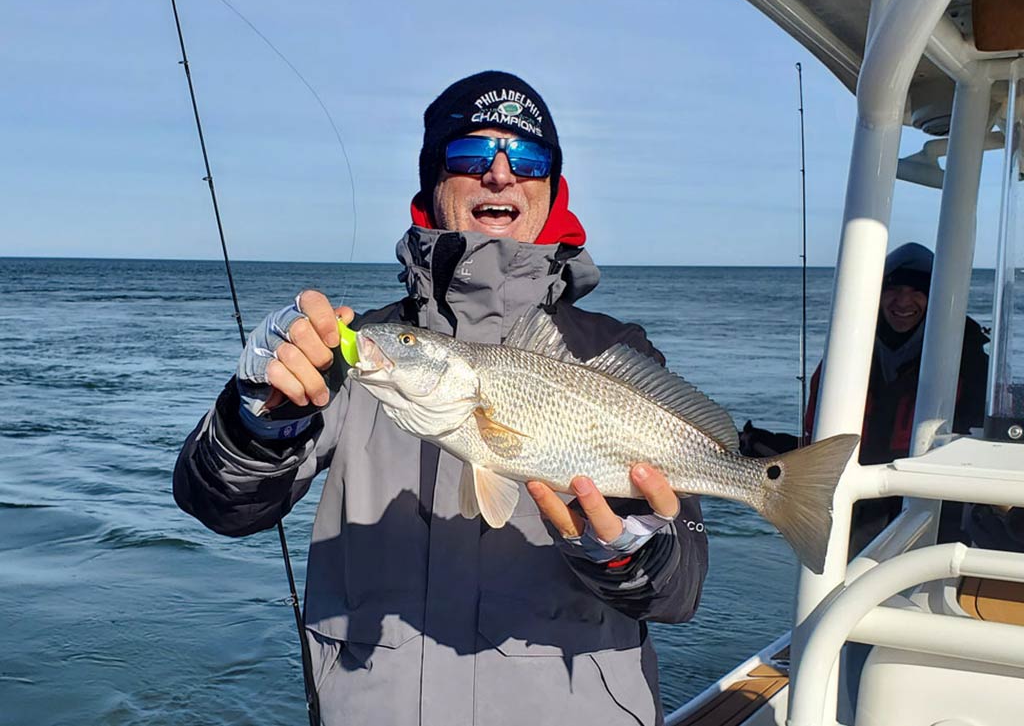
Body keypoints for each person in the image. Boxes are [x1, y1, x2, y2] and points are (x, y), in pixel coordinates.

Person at [175, 71, 708, 726]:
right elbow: (219, 505)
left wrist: (629, 552)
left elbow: (681, 587)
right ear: (434, 182)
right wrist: (258, 410)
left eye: (527, 158)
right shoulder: (365, 348)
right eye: (471, 155)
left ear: (552, 188)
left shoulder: (613, 353)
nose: (500, 175)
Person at [740, 242, 990, 553]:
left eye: (918, 290)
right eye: (893, 288)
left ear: (937, 298)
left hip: (933, 519)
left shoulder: (971, 364)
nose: (903, 300)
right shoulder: (847, 355)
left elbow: (974, 450)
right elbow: (824, 444)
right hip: (854, 513)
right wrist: (762, 445)